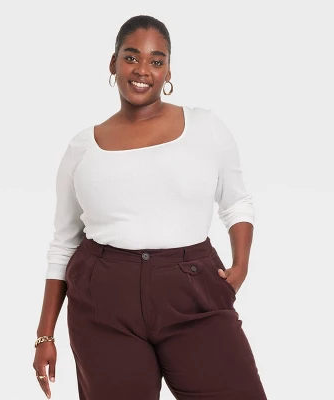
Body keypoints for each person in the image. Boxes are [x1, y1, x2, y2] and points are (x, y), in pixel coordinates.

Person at [33, 14, 268, 400]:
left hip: (192, 290)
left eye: (156, 61)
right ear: (113, 63)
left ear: (168, 71)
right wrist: (45, 334)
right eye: (131, 57)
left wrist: (241, 264)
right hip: (103, 299)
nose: (143, 70)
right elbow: (63, 243)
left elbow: (237, 201)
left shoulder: (205, 127)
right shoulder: (82, 148)